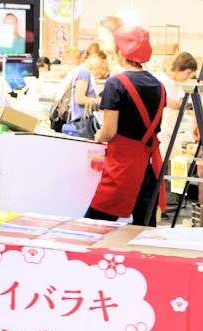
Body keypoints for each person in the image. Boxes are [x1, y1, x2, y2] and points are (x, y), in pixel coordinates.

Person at [87, 24, 166, 227]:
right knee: (143, 231)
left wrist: (99, 136)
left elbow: (109, 131)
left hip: (122, 167)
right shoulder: (159, 86)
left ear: (121, 52)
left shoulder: (116, 83)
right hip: (149, 168)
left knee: (95, 226)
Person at [69, 47, 106, 122]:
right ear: (94, 56)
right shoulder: (83, 72)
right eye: (101, 61)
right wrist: (98, 101)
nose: (101, 65)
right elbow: (79, 98)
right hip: (81, 120)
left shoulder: (86, 72)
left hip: (83, 119)